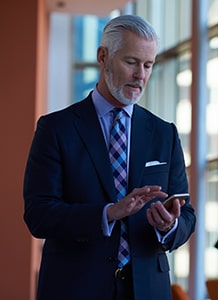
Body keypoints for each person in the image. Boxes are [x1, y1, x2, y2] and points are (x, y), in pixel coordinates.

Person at [23, 15, 196, 300]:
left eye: (148, 65)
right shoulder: (56, 129)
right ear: (103, 56)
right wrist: (108, 213)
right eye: (131, 62)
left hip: (147, 291)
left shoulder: (164, 133)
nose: (141, 75)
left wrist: (170, 226)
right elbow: (38, 214)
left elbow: (186, 213)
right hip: (74, 288)